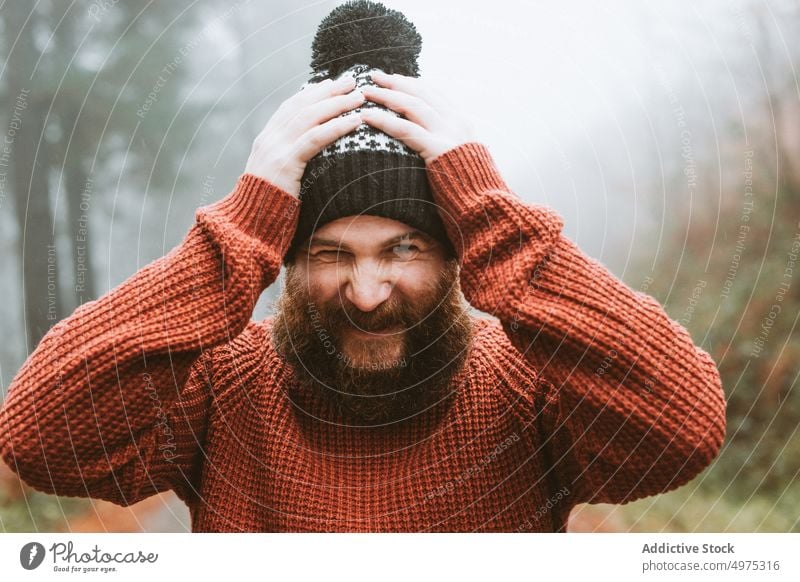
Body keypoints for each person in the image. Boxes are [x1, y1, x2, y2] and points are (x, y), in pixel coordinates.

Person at [0, 0, 726, 532]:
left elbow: (685, 427)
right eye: (329, 254)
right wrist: (238, 228)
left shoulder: (525, 386)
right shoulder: (224, 389)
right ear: (283, 258)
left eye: (404, 248)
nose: (368, 292)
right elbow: (38, 438)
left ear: (454, 252)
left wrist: (490, 211)